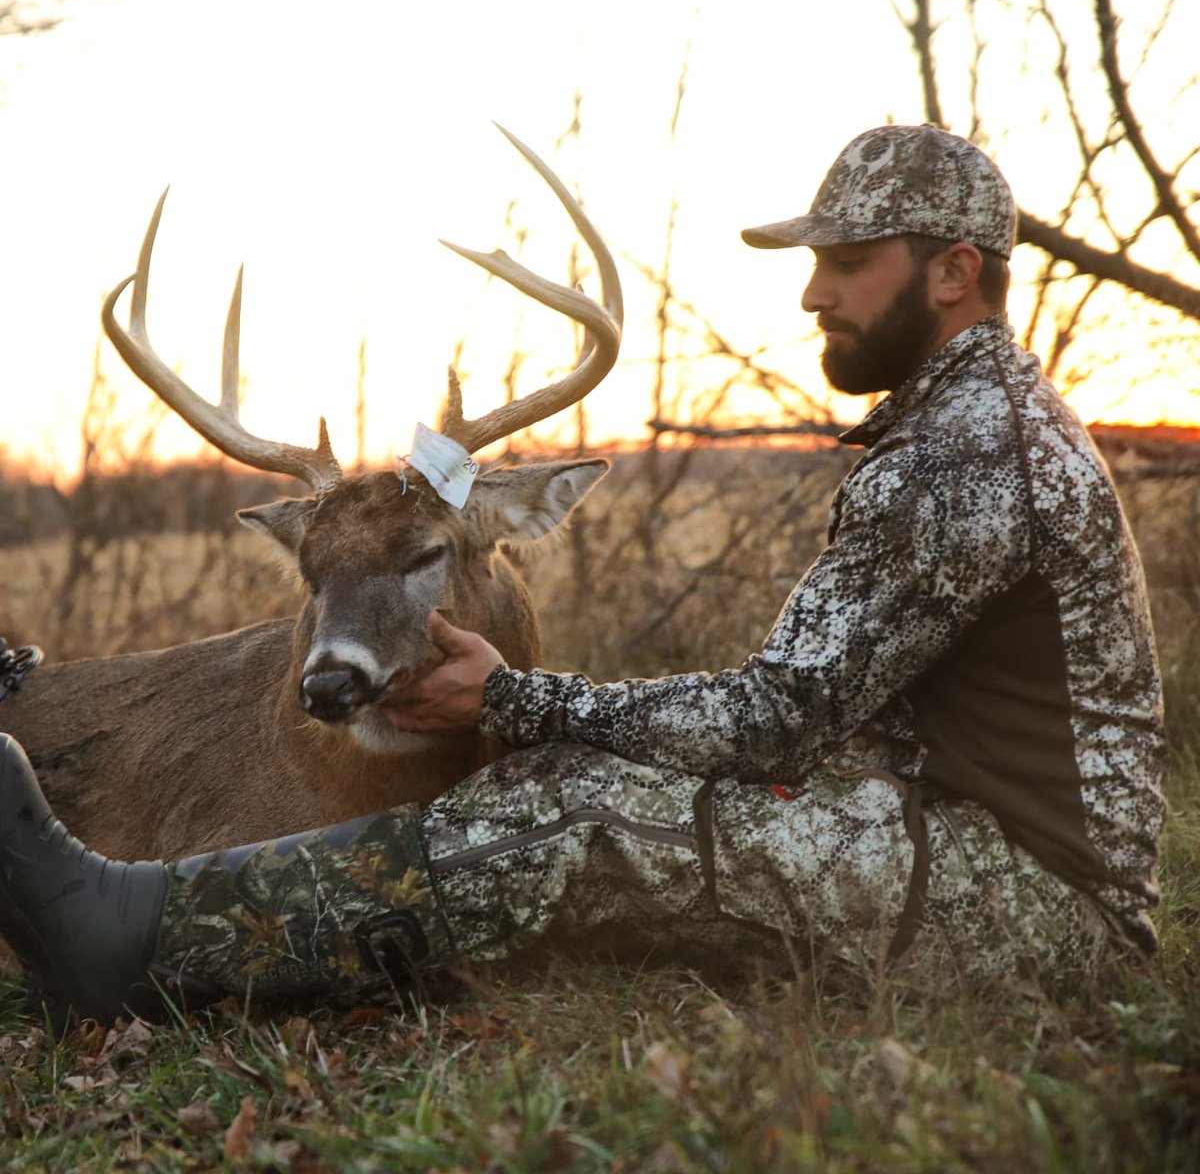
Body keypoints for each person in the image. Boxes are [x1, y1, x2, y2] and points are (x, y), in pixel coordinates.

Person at [0, 124, 1166, 1030]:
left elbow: (773, 721)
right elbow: (821, 717)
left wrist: (512, 701)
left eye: (848, 266)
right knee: (590, 782)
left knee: (572, 812)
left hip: (1037, 903)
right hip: (964, 837)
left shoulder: (965, 457)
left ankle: (137, 939)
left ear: (955, 272)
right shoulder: (969, 423)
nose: (814, 293)